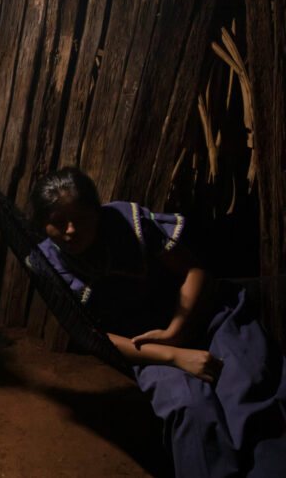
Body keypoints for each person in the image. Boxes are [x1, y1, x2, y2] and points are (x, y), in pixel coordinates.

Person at [31, 167, 286, 477]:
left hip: (207, 316)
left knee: (247, 388)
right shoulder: (48, 263)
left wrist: (177, 331)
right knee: (189, 407)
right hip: (144, 343)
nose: (71, 230)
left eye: (81, 219)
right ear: (44, 224)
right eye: (58, 223)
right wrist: (174, 355)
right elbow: (90, 334)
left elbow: (196, 272)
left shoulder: (127, 222)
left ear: (97, 213)